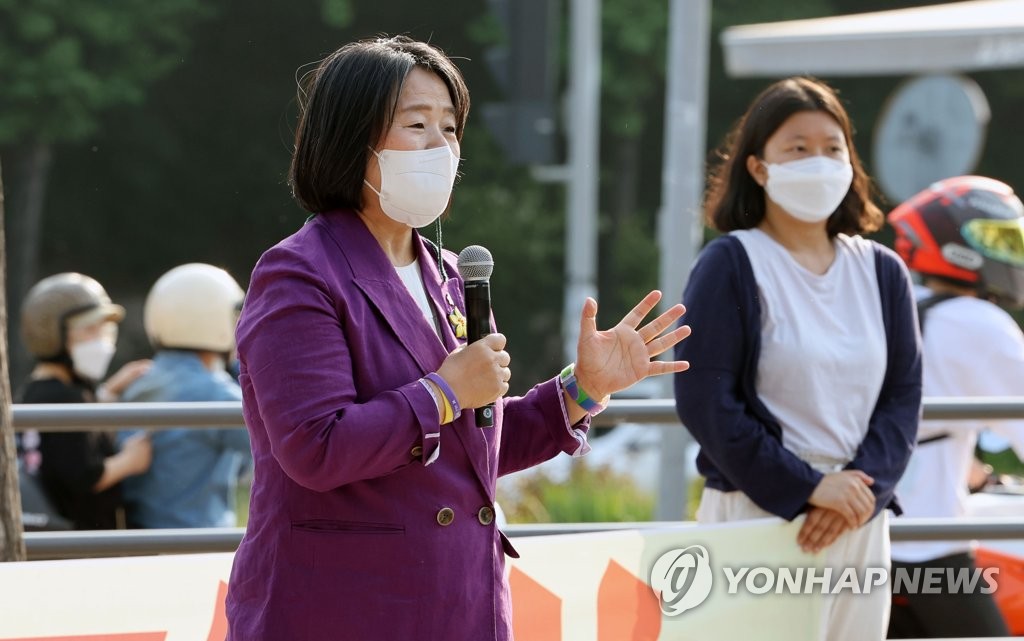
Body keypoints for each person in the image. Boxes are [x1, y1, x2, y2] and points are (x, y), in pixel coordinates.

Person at [224, 35, 690, 641]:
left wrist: (582, 389)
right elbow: (316, 447)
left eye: (451, 128)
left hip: (459, 601)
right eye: (417, 125)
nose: (440, 146)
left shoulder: (452, 278)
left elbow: (478, 448)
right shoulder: (299, 273)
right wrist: (442, 392)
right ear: (349, 140)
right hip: (344, 607)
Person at [673, 76, 921, 641]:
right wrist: (807, 487)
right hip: (758, 514)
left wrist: (858, 490)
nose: (819, 161)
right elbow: (706, 402)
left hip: (859, 517)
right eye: (797, 148)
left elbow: (903, 397)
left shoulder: (883, 273)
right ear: (758, 168)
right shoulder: (731, 264)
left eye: (833, 148)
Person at [886, 175, 1024, 638]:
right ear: (954, 246)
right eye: (994, 239)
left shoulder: (892, 304)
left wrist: (972, 472)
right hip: (930, 554)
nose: (1009, 254)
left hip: (860, 547)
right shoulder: (980, 324)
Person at [119, 263, 251, 529]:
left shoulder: (139, 381)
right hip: (196, 541)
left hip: (140, 534)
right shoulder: (219, 393)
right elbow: (277, 450)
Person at [17, 273, 153, 530]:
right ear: (51, 335)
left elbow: (67, 446)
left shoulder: (38, 390)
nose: (101, 341)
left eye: (104, 330)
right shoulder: (65, 397)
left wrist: (109, 391)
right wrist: (131, 460)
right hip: (81, 540)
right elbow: (84, 476)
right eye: (89, 330)